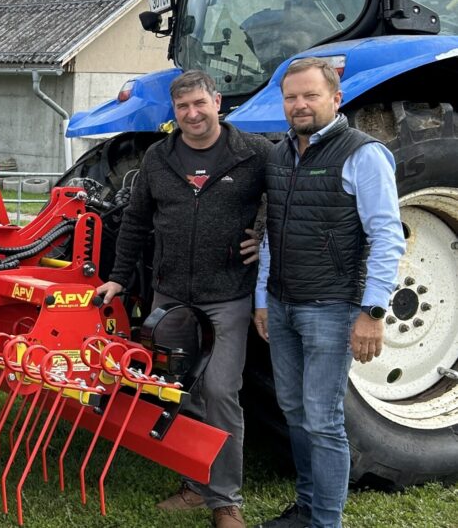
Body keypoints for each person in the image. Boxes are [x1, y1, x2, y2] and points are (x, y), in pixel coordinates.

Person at [97, 70, 272, 528]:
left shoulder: (253, 153)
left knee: (219, 391)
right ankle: (195, 483)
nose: (193, 114)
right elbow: (135, 221)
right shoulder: (159, 157)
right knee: (177, 388)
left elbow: (287, 196)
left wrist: (266, 235)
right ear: (174, 113)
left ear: (217, 102)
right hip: (171, 294)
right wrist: (118, 279)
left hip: (227, 296)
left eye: (200, 103)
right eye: (182, 107)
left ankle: (226, 501)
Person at [252, 58, 406, 528]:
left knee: (323, 420)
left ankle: (326, 521)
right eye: (291, 97)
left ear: (336, 99)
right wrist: (262, 299)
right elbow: (270, 234)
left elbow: (387, 236)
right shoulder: (280, 155)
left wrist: (372, 312)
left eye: (310, 95)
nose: (299, 105)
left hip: (331, 309)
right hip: (281, 305)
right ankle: (306, 506)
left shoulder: (362, 154)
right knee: (295, 412)